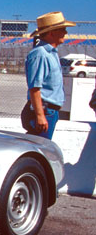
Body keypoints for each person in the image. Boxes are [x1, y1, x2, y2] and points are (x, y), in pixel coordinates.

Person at [21, 11, 75, 140]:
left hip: (49, 111)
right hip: (43, 111)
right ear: (52, 33)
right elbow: (34, 87)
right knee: (40, 148)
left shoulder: (51, 53)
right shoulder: (41, 54)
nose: (65, 33)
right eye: (62, 29)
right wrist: (40, 115)